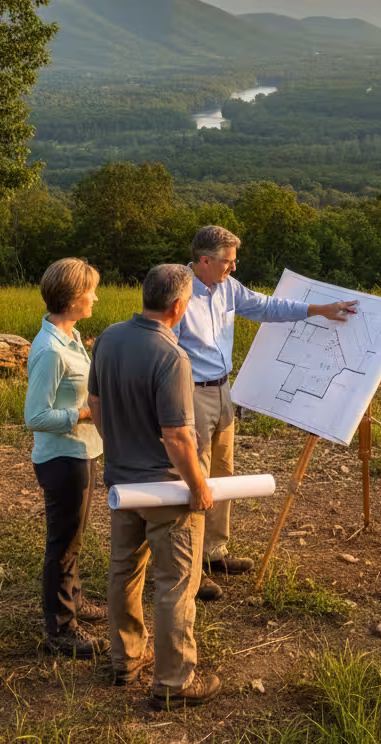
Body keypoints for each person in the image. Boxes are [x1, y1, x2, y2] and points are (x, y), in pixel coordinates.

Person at [177, 225, 357, 601]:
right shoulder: (177, 291)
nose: (234, 269)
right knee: (193, 480)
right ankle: (188, 569)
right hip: (187, 394)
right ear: (204, 261)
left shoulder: (227, 288)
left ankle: (214, 552)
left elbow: (267, 307)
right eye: (228, 262)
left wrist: (320, 310)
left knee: (222, 474)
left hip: (222, 389)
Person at [88, 264, 221, 708]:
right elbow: (178, 436)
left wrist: (118, 446)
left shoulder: (108, 338)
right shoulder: (172, 356)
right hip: (166, 490)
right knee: (176, 584)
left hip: (122, 484)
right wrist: (199, 486)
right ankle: (174, 682)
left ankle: (125, 658)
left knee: (124, 570)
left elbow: (95, 403)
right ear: (178, 306)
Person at [24, 257, 104, 658]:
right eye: (90, 290)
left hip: (82, 452)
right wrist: (85, 412)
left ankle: (74, 599)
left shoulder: (70, 338)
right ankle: (60, 629)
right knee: (63, 542)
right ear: (73, 298)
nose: (95, 296)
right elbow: (35, 416)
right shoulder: (50, 351)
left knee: (74, 539)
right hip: (63, 459)